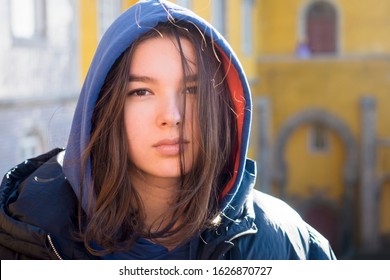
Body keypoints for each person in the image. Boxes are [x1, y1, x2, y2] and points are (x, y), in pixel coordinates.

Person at [0, 0, 336, 260]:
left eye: (192, 91)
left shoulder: (287, 243)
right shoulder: (23, 240)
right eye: (142, 92)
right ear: (104, 107)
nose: (172, 116)